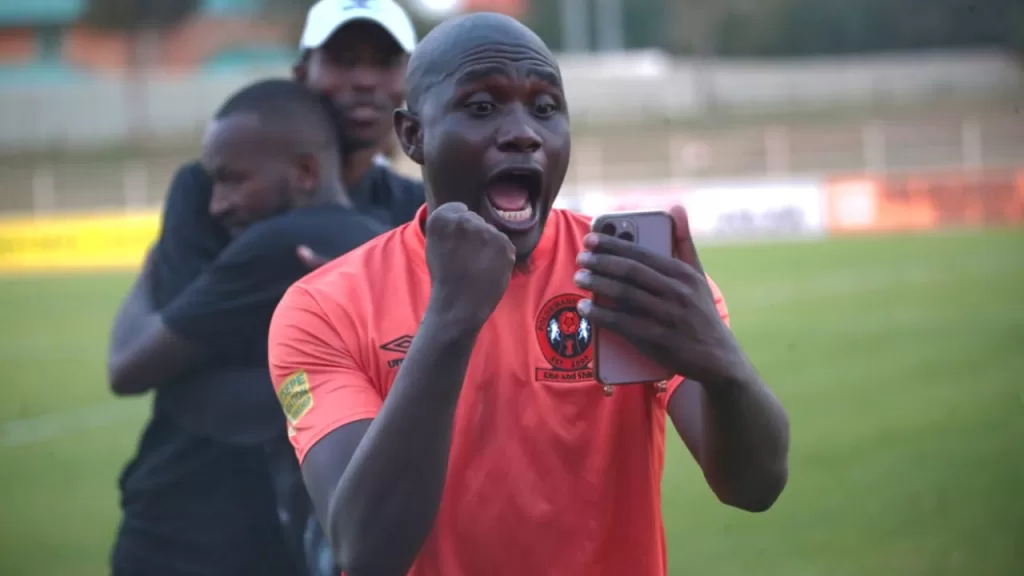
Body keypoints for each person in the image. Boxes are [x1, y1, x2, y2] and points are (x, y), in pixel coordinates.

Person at [267, 12, 791, 576]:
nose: (524, 131)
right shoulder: (323, 307)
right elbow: (366, 549)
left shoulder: (624, 274)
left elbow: (754, 486)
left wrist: (722, 365)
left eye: (546, 108)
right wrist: (450, 317)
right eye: (482, 107)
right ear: (414, 135)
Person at [109, 79, 384, 576]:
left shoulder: (279, 243)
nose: (216, 205)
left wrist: (155, 261)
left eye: (234, 179)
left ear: (304, 171)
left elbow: (126, 368)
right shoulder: (375, 235)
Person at [294, 0, 423, 227]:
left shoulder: (421, 215)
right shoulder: (244, 199)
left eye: (386, 62)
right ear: (302, 75)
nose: (365, 82)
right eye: (343, 60)